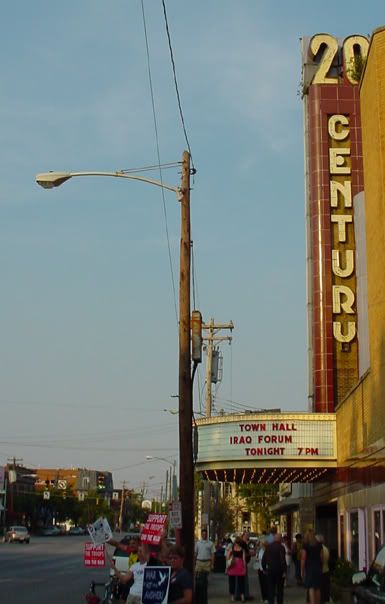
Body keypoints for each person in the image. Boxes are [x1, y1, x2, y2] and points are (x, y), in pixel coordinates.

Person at [262, 532, 287, 604]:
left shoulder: (268, 547)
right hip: (279, 570)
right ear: (280, 539)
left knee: (270, 589)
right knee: (280, 589)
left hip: (270, 570)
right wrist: (284, 571)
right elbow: (283, 560)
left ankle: (271, 602)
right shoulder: (281, 547)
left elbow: (264, 559)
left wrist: (264, 569)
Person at [301, 529, 323, 604]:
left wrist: (302, 571)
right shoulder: (319, 544)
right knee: (317, 587)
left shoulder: (305, 545)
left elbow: (303, 558)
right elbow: (321, 557)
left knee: (311, 587)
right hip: (318, 567)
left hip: (310, 567)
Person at [226, 536, 247, 603]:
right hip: (232, 566)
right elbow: (227, 557)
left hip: (240, 567)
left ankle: (242, 598)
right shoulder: (231, 548)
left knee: (241, 583)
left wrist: (244, 568)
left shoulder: (242, 549)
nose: (237, 544)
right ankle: (232, 598)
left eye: (238, 543)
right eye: (236, 543)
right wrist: (227, 566)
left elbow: (244, 560)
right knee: (232, 583)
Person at [316, 534, 330, 604]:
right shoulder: (326, 548)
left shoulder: (320, 550)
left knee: (320, 591)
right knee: (323, 592)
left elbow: (320, 560)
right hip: (325, 571)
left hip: (321, 572)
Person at [254, 538, 269, 604]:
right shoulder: (259, 551)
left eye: (260, 543)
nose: (259, 544)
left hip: (266, 569)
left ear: (264, 544)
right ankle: (263, 597)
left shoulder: (268, 551)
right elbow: (258, 559)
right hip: (260, 569)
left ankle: (267, 598)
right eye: (259, 543)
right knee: (262, 584)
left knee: (266, 584)